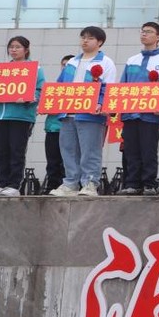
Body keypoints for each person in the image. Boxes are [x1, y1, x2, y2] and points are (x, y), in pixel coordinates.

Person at [50, 26, 118, 197]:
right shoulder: (72, 62)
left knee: (90, 151)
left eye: (90, 38)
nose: (85, 41)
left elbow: (108, 88)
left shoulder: (106, 62)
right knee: (68, 150)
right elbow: (59, 86)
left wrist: (101, 104)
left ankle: (90, 184)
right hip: (68, 113)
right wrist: (50, 104)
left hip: (91, 115)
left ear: (100, 42)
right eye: (83, 37)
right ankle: (70, 183)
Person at [117, 21, 159, 195]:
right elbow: (123, 85)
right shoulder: (132, 60)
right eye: (142, 31)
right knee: (131, 150)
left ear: (158, 37)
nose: (144, 34)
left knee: (148, 150)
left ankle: (149, 184)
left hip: (151, 114)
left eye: (149, 32)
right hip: (130, 113)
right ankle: (132, 184)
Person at [0, 36, 45, 197]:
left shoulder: (35, 68)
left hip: (21, 116)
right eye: (11, 47)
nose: (13, 49)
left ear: (26, 49)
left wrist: (29, 97)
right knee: (0, 150)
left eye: (18, 47)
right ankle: (0, 183)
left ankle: (13, 185)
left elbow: (40, 90)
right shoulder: (1, 70)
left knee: (16, 150)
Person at [41, 54, 73, 193]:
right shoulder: (53, 89)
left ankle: (68, 186)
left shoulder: (80, 89)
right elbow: (44, 106)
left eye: (69, 65)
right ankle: (52, 186)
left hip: (70, 128)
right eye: (63, 65)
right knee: (52, 161)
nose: (65, 68)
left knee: (68, 161)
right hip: (53, 129)